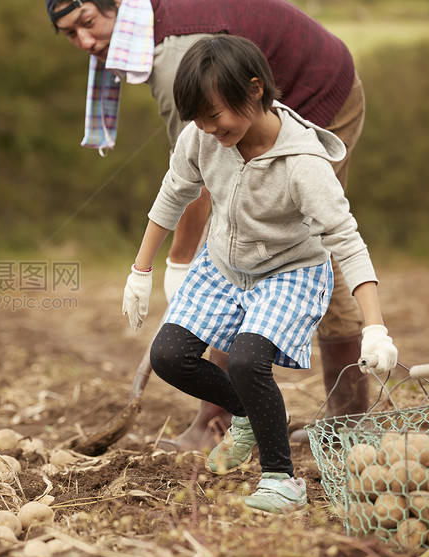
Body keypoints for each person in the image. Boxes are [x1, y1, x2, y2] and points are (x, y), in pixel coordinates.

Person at [45, 0, 370, 451]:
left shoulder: (176, 56)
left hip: (317, 87)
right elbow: (188, 172)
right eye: (69, 34)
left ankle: (346, 423)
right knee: (233, 243)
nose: (84, 41)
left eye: (88, 22)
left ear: (117, 5)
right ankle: (228, 417)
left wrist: (179, 264)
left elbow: (202, 185)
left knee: (311, 245)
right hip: (247, 104)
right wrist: (151, 269)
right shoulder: (154, 42)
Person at [119, 35, 397, 513]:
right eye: (198, 119)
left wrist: (374, 327)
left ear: (253, 90)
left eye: (214, 115)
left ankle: (281, 479)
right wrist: (140, 270)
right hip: (224, 265)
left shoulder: (304, 165)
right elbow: (172, 196)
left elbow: (347, 243)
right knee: (169, 354)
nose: (207, 129)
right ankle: (247, 413)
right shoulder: (202, 138)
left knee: (249, 361)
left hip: (289, 270)